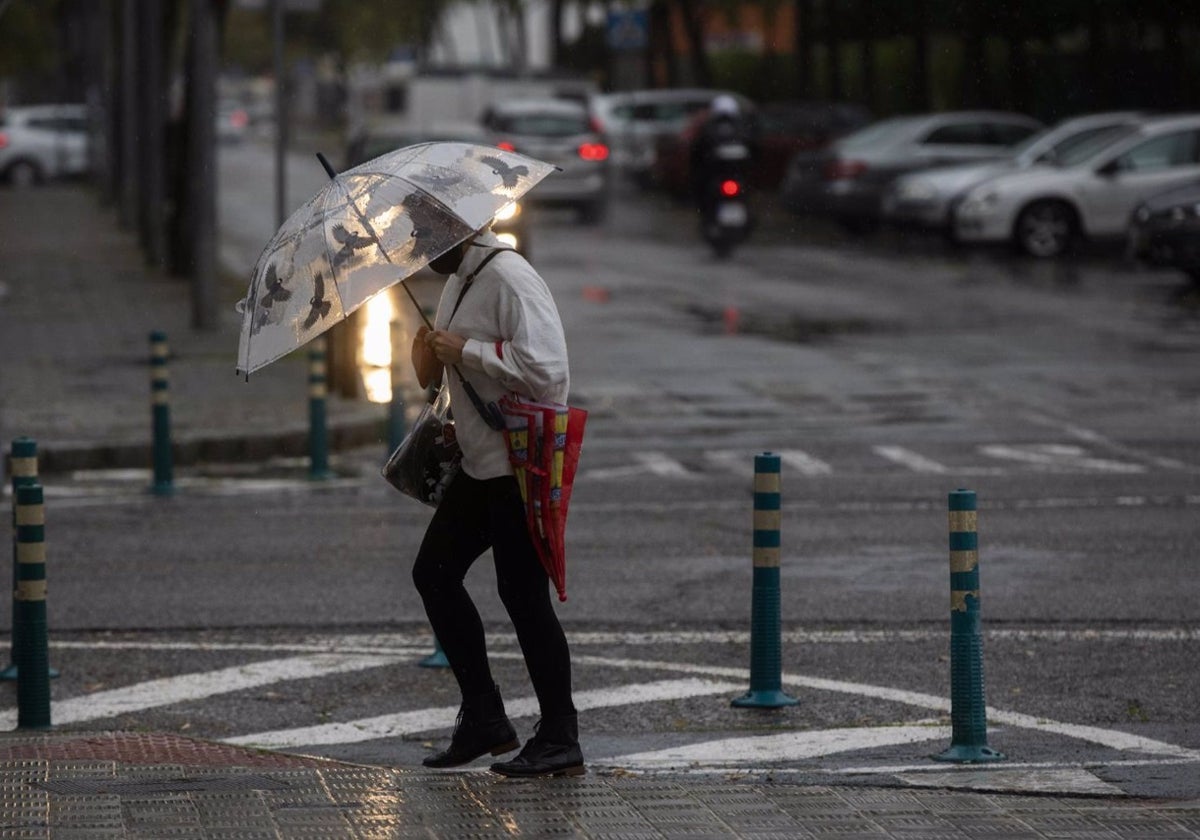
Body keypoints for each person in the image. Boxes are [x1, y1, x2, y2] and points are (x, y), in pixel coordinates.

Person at [409, 225, 584, 778]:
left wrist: (468, 350)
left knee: (524, 597)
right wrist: (431, 359)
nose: (420, 250)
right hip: (480, 462)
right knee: (434, 573)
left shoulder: (509, 277)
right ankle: (484, 716)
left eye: (427, 239)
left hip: (518, 465)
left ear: (459, 232)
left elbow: (548, 373)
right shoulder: (459, 280)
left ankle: (561, 736)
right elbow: (451, 376)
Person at [688, 94, 756, 212]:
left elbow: (697, 152)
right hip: (727, 179)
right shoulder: (742, 129)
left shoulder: (709, 128)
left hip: (719, 180)